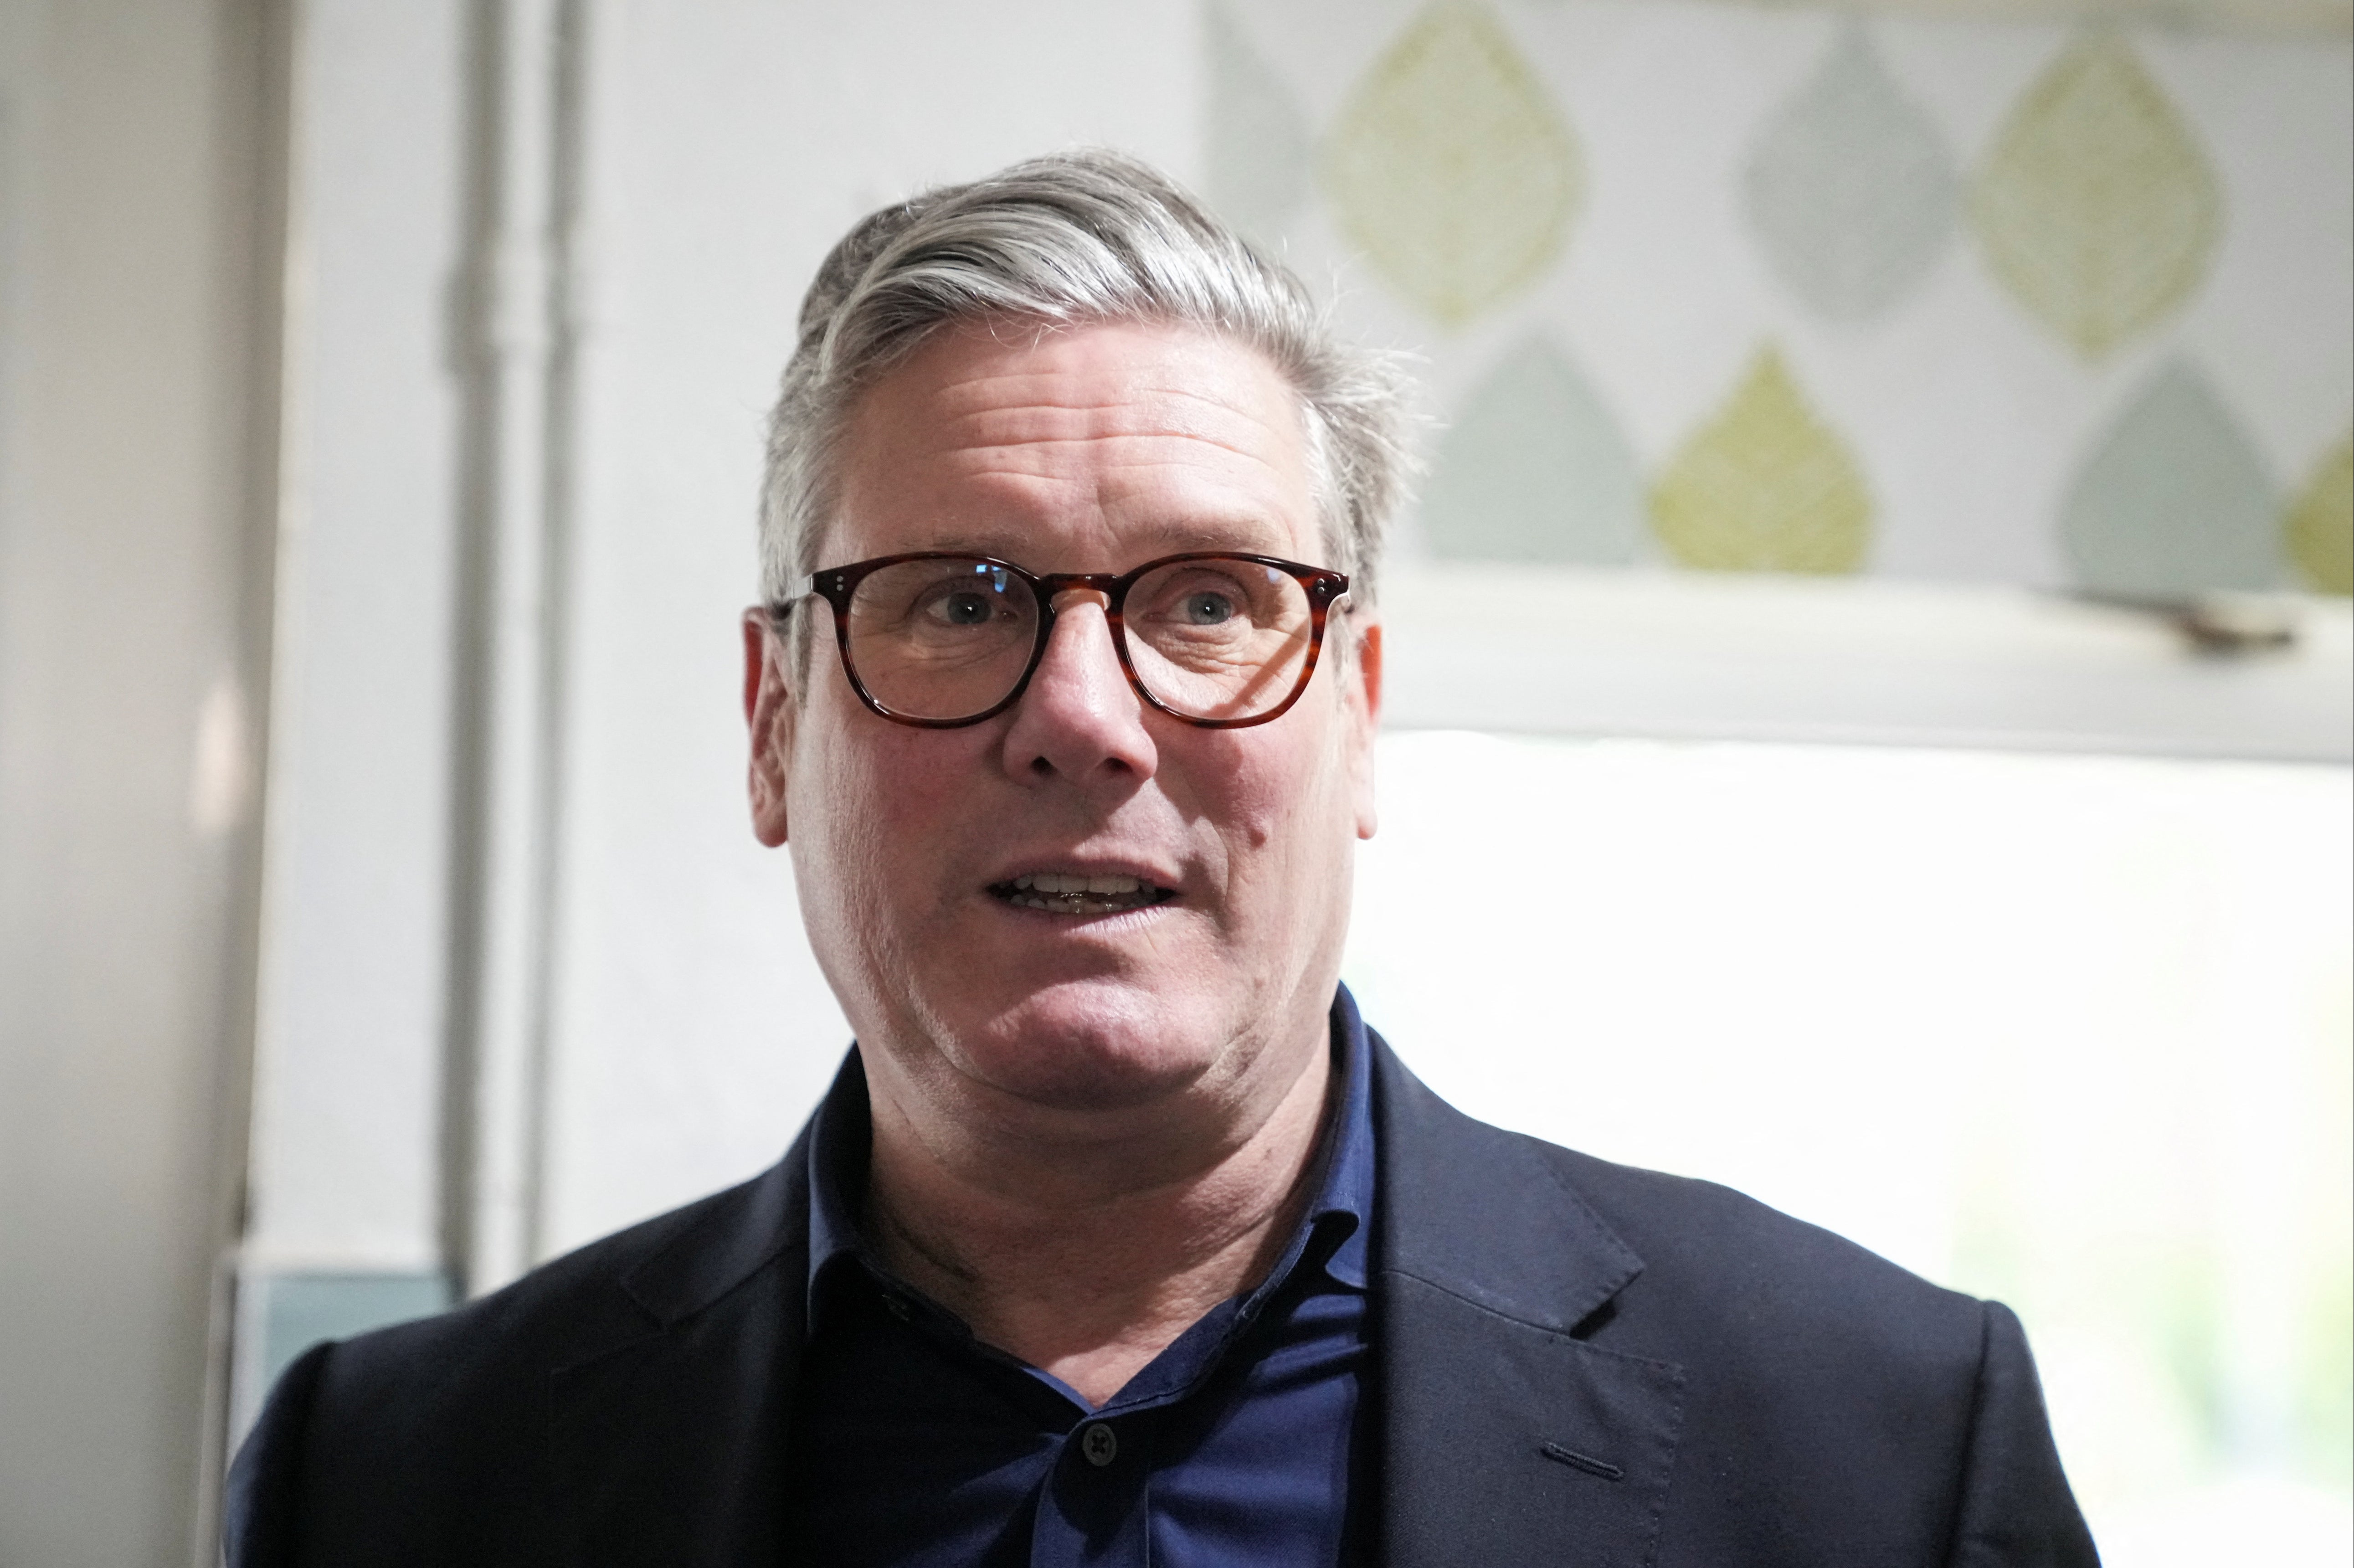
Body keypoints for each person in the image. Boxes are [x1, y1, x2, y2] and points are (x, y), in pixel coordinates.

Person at [225, 151, 2098, 1566]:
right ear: (772, 722)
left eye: (1207, 600)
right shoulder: (392, 1479)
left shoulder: (1879, 1448)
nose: (1085, 717)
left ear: (1354, 714)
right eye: (957, 600)